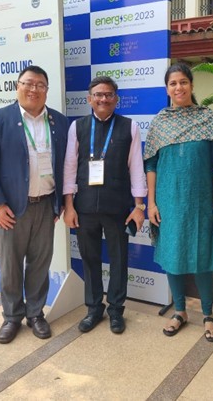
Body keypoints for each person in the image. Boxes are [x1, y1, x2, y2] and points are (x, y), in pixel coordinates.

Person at [0, 65, 69, 343]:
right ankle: (11, 317)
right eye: (28, 83)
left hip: (45, 206)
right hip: (10, 209)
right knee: (10, 266)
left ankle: (36, 314)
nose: (33, 89)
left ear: (47, 90)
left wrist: (60, 203)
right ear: (17, 87)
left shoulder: (59, 121)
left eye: (40, 85)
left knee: (40, 264)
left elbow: (66, 164)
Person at [144, 63, 213, 342]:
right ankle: (179, 311)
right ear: (167, 89)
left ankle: (208, 314)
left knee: (202, 256)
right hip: (167, 201)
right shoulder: (159, 122)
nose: (178, 87)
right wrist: (151, 203)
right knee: (172, 254)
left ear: (191, 85)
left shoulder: (207, 118)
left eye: (183, 82)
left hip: (200, 200)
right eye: (173, 83)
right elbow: (151, 165)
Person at [63, 76, 147, 334]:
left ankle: (116, 310)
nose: (103, 99)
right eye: (98, 95)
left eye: (108, 94)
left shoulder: (129, 127)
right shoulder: (77, 127)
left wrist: (139, 206)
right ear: (89, 99)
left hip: (118, 208)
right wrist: (69, 205)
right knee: (90, 259)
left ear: (116, 99)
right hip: (85, 207)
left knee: (119, 260)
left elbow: (136, 167)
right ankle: (93, 309)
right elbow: (69, 167)